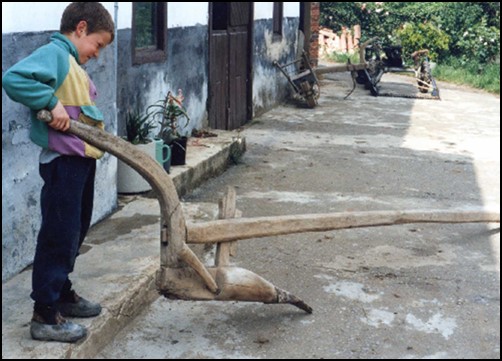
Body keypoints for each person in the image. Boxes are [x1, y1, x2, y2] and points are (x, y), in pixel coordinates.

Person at [2, 2, 114, 343]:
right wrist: (49, 103)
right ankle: (45, 314)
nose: (96, 54)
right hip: (63, 163)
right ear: (80, 29)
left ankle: (62, 291)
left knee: (75, 230)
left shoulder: (70, 62)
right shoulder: (54, 53)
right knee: (58, 235)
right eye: (97, 44)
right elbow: (13, 78)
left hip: (80, 160)